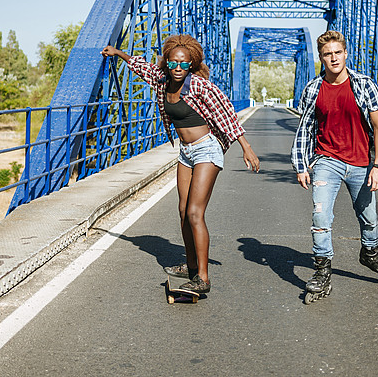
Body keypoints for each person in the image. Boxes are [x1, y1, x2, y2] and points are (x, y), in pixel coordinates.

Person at [101, 34, 260, 294]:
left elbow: (227, 113)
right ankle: (190, 265)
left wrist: (247, 148)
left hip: (206, 149)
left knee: (196, 213)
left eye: (184, 63)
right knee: (183, 211)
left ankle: (203, 278)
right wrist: (118, 53)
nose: (178, 67)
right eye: (173, 62)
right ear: (167, 62)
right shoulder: (163, 80)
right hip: (186, 152)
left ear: (191, 64)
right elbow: (143, 68)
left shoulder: (199, 86)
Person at [291, 30, 378, 300]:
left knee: (369, 219)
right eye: (328, 54)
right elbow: (305, 129)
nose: (334, 58)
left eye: (338, 52)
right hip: (328, 161)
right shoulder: (313, 89)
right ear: (321, 58)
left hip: (361, 163)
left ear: (346, 54)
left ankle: (370, 254)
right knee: (320, 216)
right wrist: (302, 165)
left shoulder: (363, 84)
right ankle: (322, 271)